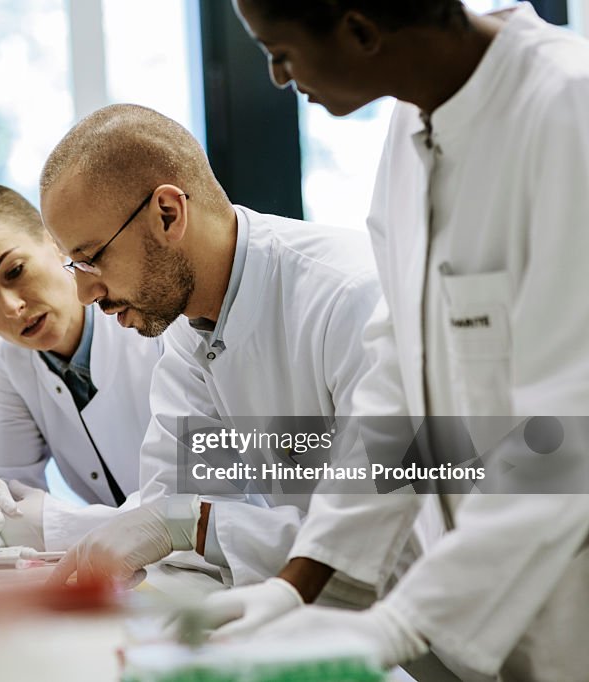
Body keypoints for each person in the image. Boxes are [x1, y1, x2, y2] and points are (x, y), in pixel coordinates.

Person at [222, 2, 589, 679]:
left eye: (281, 51)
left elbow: (566, 438)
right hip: (495, 611)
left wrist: (399, 623)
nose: (276, 77)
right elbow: (399, 383)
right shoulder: (412, 126)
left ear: (361, 30)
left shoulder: (568, 110)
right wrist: (295, 584)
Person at [39, 104, 422, 610]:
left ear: (168, 214)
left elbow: (393, 548)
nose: (85, 293)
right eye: (73, 265)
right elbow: (173, 524)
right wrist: (181, 526)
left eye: (92, 259)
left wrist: (193, 523)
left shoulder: (350, 298)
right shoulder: (190, 333)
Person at [0, 184, 163, 552]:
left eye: (15, 270)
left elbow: (196, 512)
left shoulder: (154, 322)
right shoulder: (11, 358)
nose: (11, 308)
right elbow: (9, 494)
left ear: (54, 240)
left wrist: (60, 526)